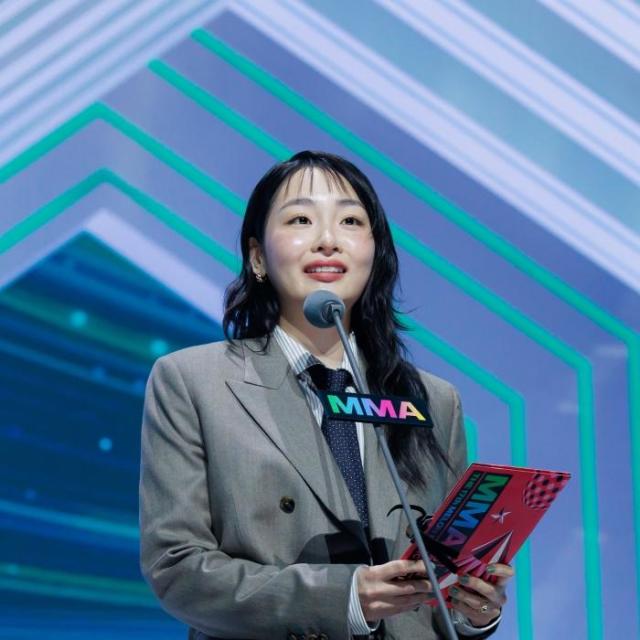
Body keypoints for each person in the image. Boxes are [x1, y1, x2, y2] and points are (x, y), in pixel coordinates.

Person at [138, 151, 514, 640]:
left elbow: (443, 589)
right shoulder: (194, 382)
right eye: (300, 219)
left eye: (350, 221)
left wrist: (473, 613)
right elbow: (178, 569)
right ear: (257, 256)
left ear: (374, 253)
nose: (328, 240)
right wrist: (344, 598)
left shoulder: (434, 400)